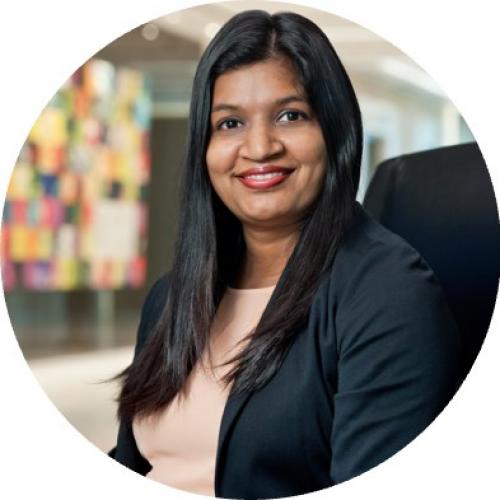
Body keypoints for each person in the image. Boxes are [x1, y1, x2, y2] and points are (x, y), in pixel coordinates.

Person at [108, 10, 461, 499]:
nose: (259, 147)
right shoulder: (171, 297)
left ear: (334, 131)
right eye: (230, 123)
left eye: (290, 115)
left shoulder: (389, 293)